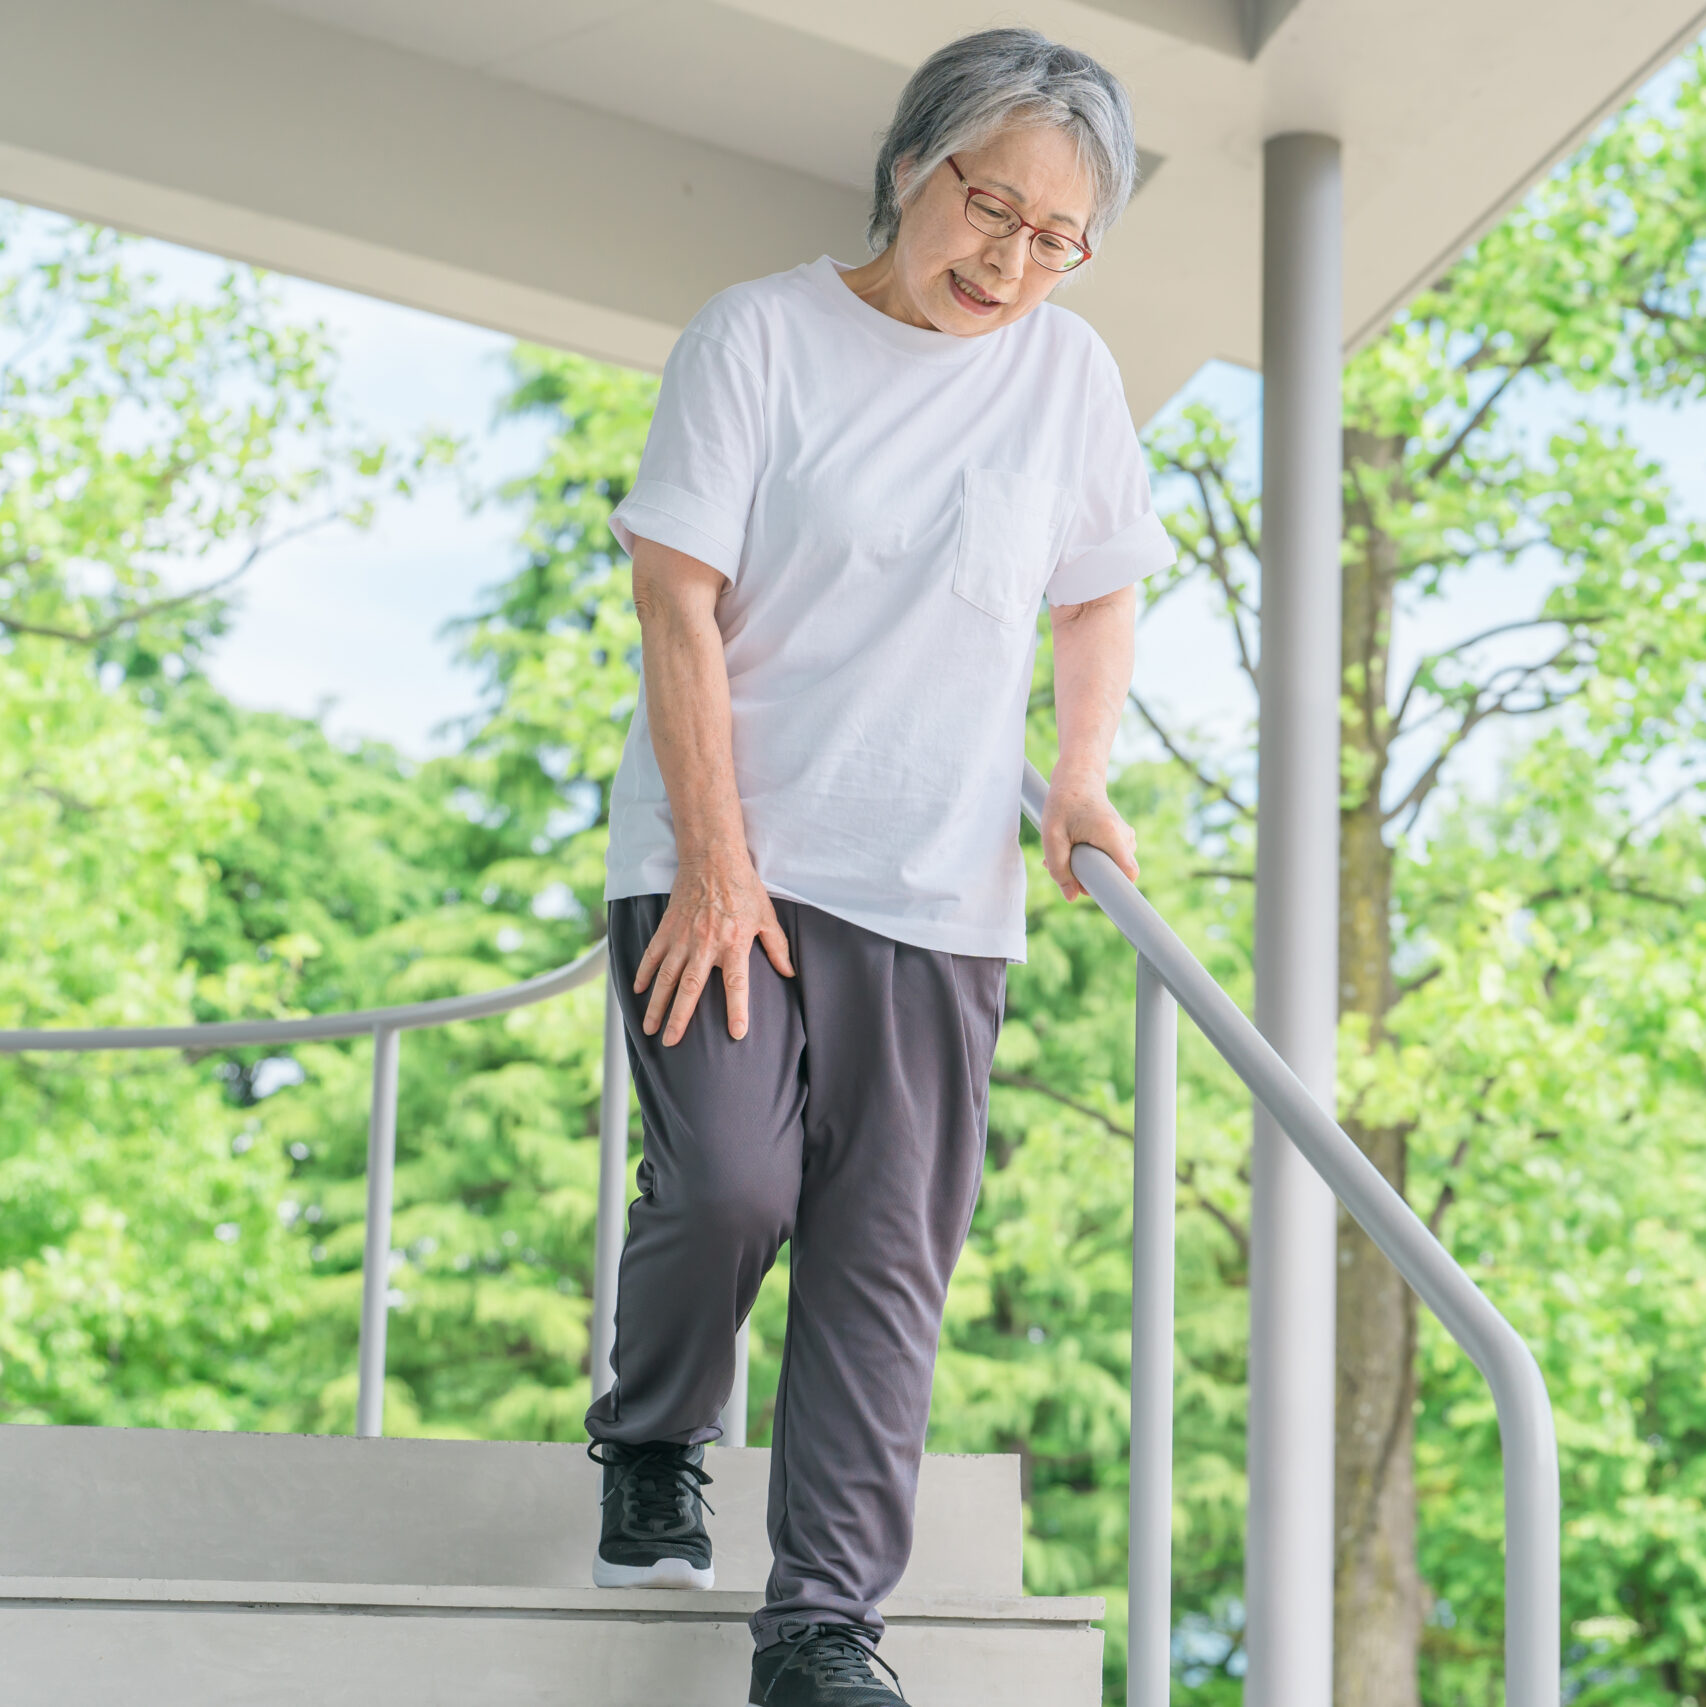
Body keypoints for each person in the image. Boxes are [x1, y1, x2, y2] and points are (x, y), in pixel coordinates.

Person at [580, 28, 1167, 1707]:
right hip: (729, 862)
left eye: (1060, 238)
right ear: (913, 165)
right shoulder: (759, 336)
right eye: (992, 208)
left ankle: (823, 1629)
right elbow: (676, 594)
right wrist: (712, 861)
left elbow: (1100, 582)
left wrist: (1076, 774)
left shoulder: (1068, 378)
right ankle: (652, 1431)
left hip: (936, 889)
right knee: (732, 1189)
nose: (1014, 261)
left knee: (884, 1260)